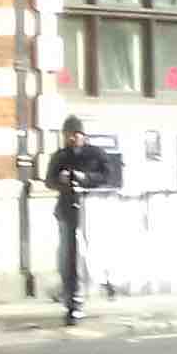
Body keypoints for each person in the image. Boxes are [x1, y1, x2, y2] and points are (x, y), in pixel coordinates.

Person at [43, 116, 115, 308]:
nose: (72, 140)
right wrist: (61, 179)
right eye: (68, 136)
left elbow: (108, 175)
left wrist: (86, 177)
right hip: (67, 208)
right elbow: (49, 181)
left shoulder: (95, 154)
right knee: (67, 251)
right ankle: (70, 290)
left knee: (89, 249)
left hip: (91, 208)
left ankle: (98, 283)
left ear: (82, 135)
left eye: (75, 135)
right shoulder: (60, 156)